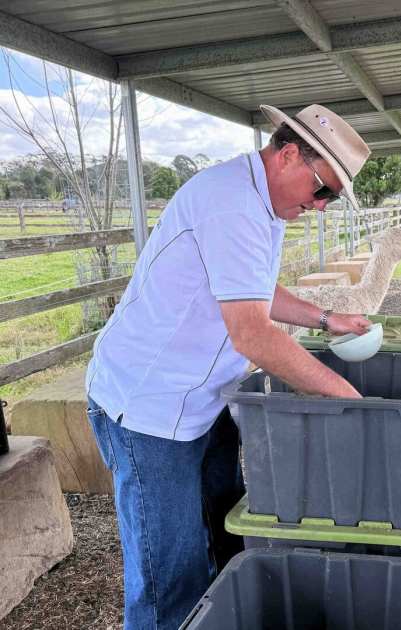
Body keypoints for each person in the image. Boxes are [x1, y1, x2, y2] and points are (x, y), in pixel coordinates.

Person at [85, 104, 372, 630]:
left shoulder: (264, 203)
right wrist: (346, 397)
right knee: (169, 574)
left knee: (224, 535)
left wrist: (323, 318)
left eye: (330, 197)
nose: (320, 206)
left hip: (204, 396)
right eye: (323, 190)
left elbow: (252, 288)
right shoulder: (230, 202)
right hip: (151, 405)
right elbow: (253, 334)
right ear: (289, 155)